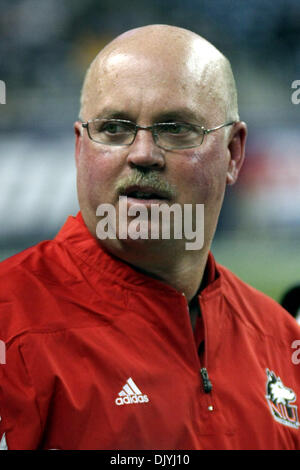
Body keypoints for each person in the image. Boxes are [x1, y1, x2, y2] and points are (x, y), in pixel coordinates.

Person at [0, 24, 299, 451]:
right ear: (79, 148)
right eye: (114, 128)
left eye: (176, 128)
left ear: (233, 154)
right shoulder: (9, 329)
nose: (141, 154)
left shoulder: (283, 340)